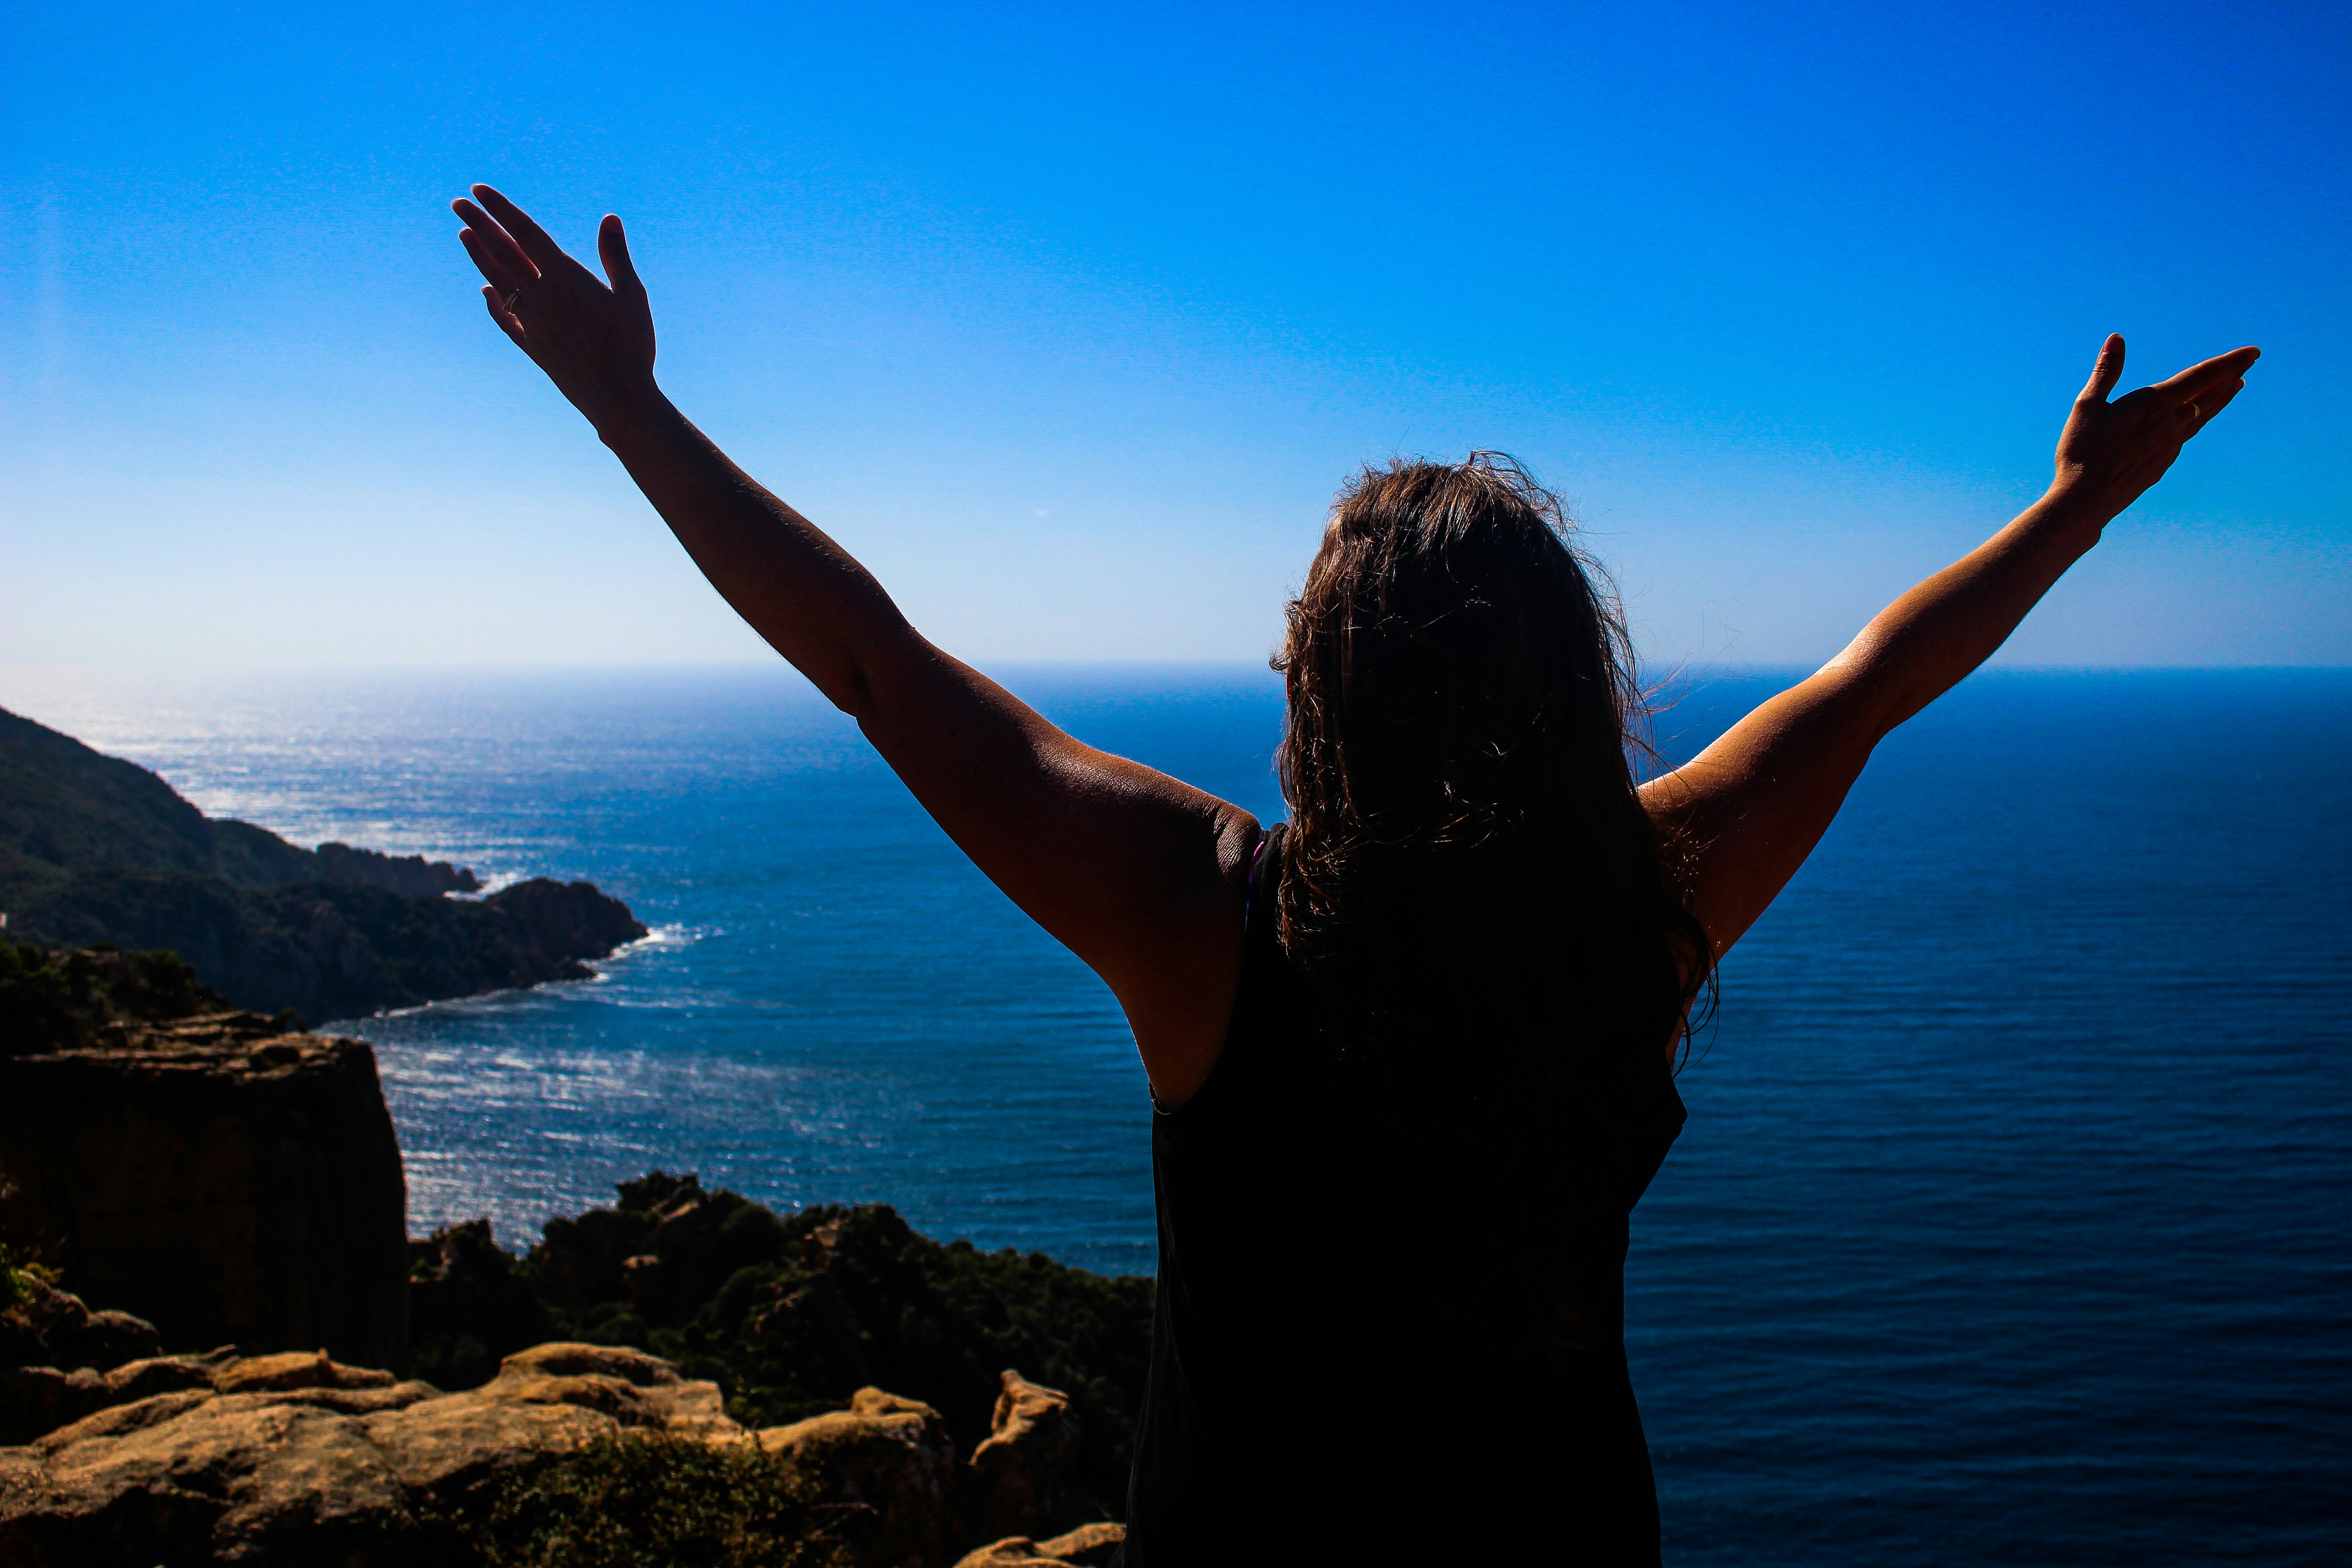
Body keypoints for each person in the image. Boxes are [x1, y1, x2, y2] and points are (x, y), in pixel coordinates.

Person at [452, 185, 2258, 1565]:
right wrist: (2080, 506)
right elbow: (1868, 691)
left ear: (1313, 687)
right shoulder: (1645, 904)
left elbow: (873, 661)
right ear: (1576, 690)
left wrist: (628, 411)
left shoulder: (1205, 916)